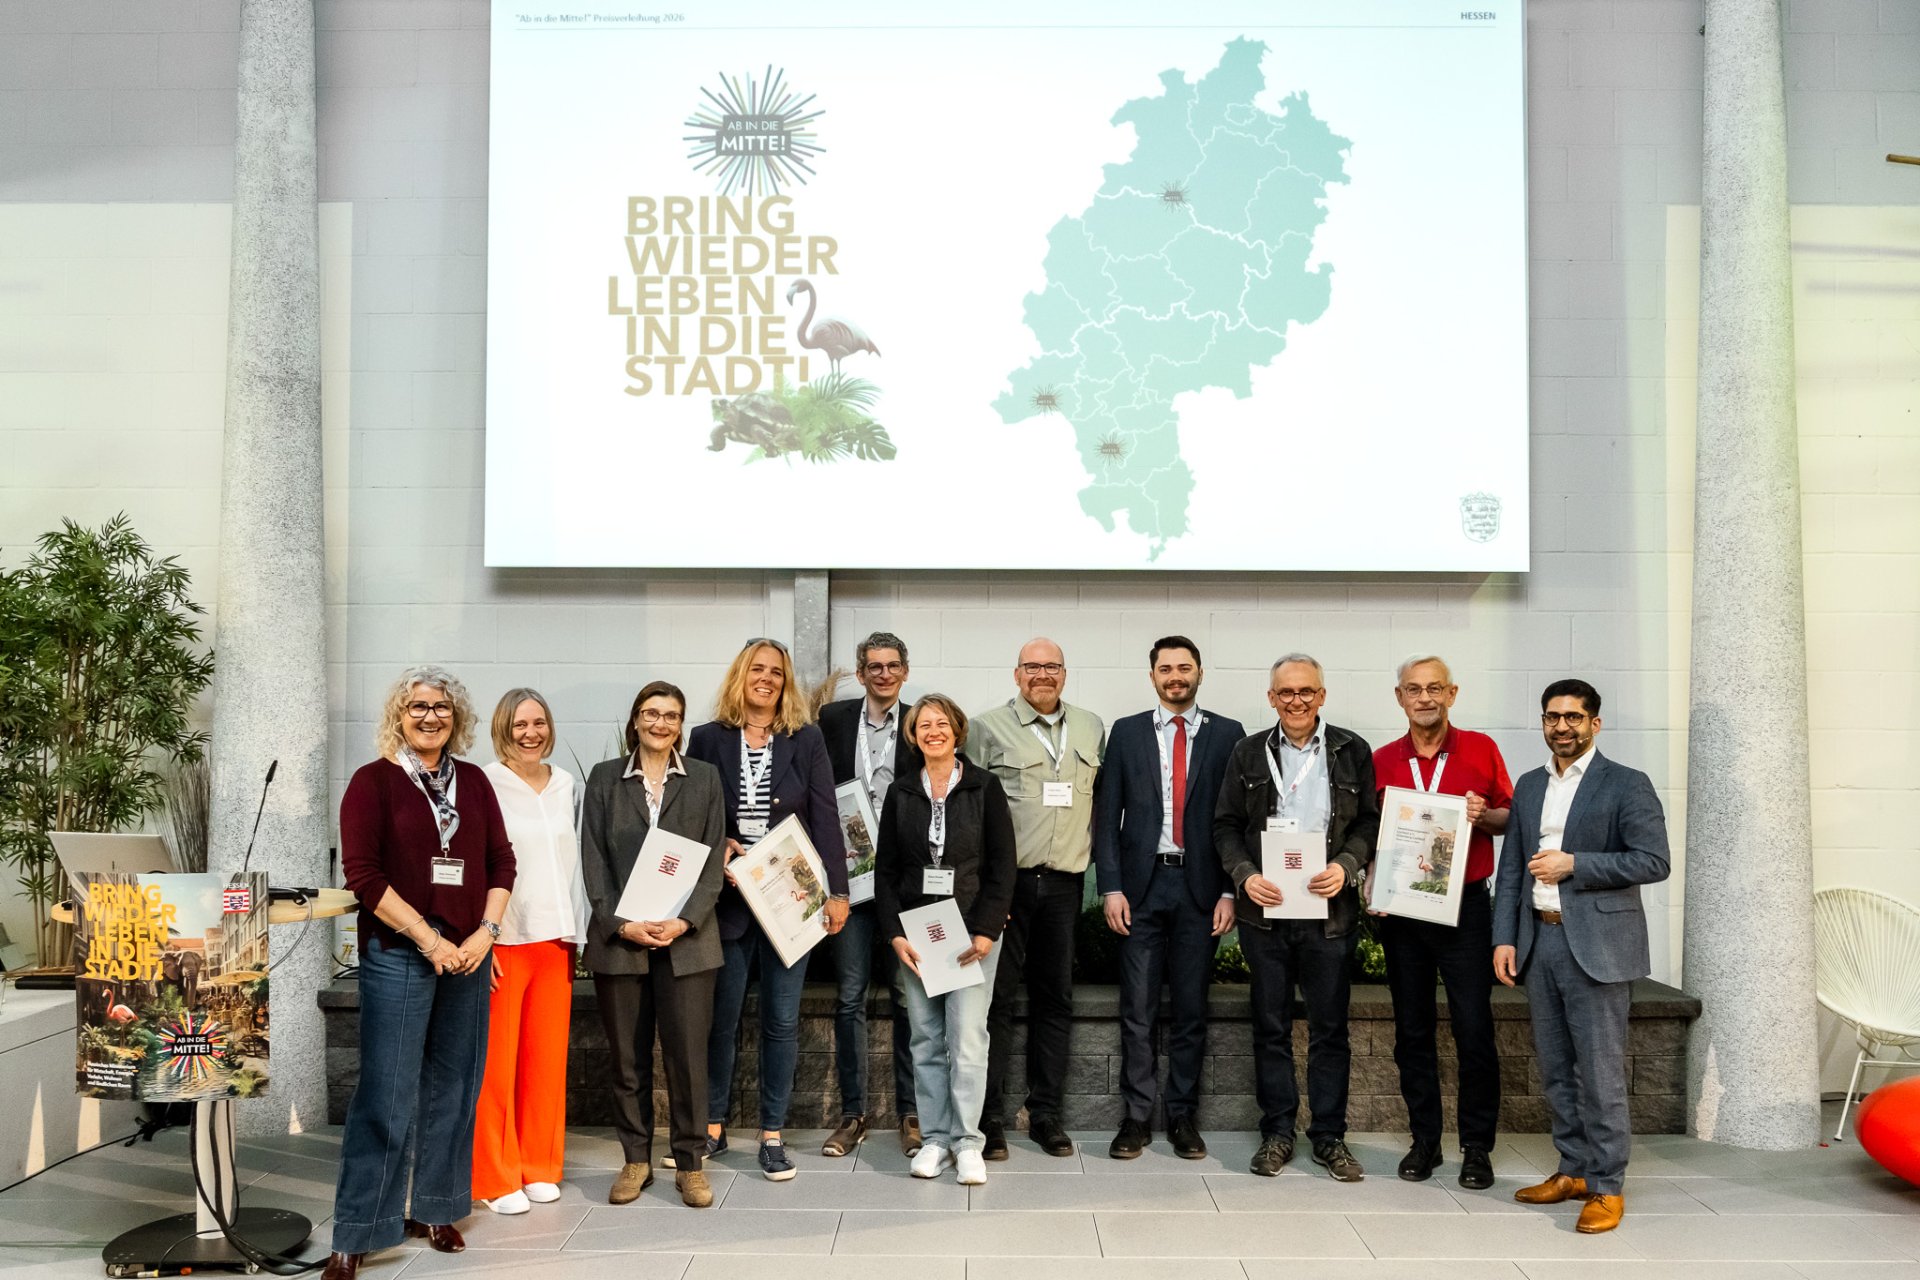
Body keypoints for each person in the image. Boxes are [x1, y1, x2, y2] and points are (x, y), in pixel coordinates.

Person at [325, 667, 516, 1280]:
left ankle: (436, 1208)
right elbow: (364, 877)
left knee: (454, 1088)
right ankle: (358, 1231)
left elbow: (501, 862)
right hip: (400, 951)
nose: (430, 716)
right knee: (386, 1092)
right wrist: (429, 940)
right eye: (418, 707)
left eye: (441, 707)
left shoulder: (475, 782)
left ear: (455, 718)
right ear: (399, 716)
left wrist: (485, 935)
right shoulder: (373, 782)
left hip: (468, 953)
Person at [1493, 679, 1670, 1235]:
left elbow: (1653, 860)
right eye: (1553, 717)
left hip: (1597, 946)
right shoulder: (1529, 785)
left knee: (1600, 1072)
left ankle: (1607, 1185)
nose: (1562, 726)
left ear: (1595, 723)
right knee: (1555, 1070)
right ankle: (1572, 1170)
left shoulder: (1627, 783)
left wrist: (1576, 864)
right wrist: (1504, 938)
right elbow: (1512, 868)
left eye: (1573, 717)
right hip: (1540, 941)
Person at [687, 638, 850, 1182]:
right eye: (757, 669)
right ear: (741, 675)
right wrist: (718, 844)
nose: (766, 679)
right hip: (729, 902)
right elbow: (692, 813)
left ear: (786, 682)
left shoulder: (806, 739)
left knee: (781, 1022)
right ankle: (712, 1128)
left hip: (790, 902)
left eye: (776, 672)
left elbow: (825, 815)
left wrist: (838, 892)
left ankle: (772, 1134)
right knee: (722, 1021)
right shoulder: (708, 738)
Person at [1213, 653, 1377, 1182]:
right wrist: (1244, 875)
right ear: (1272, 698)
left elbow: (1369, 823)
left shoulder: (1352, 750)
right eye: (1286, 692)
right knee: (1270, 1027)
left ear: (1322, 696)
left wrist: (1346, 865)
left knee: (1330, 1030)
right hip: (1266, 914)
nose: (1297, 701)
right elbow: (1225, 825)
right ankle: (1278, 1133)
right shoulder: (1247, 752)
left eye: (1306, 691)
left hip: (1329, 915)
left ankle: (1329, 1137)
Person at [580, 681, 730, 1209]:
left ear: (680, 725)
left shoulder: (704, 779)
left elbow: (713, 859)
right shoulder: (604, 778)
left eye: (671, 715)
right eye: (651, 713)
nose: (660, 723)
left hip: (687, 944)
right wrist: (620, 924)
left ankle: (690, 1164)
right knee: (628, 1060)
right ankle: (635, 1160)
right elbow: (593, 861)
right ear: (636, 720)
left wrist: (685, 921)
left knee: (688, 1060)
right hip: (623, 942)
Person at [1092, 636, 1243, 1160]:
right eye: (1165, 668)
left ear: (1200, 672)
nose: (1175, 676)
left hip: (1201, 890)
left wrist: (1229, 889)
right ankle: (1135, 1117)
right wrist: (1111, 886)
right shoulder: (1127, 732)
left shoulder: (1228, 733)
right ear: (1152, 675)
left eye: (1184, 667)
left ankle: (1182, 1116)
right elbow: (1106, 815)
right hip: (1141, 887)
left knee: (1191, 1009)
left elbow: (1234, 819)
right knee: (1136, 1008)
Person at [1369, 655, 1513, 1190]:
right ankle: (1424, 1141)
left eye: (1434, 688)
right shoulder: (1381, 759)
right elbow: (1371, 833)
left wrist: (1482, 815)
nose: (1424, 698)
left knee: (1474, 1028)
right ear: (1400, 697)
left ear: (1452, 693)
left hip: (1465, 910)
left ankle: (1476, 1148)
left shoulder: (1481, 749)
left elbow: (1509, 817)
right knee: (1412, 1030)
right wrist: (1372, 881)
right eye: (1414, 689)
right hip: (1404, 912)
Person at [968, 637, 1106, 1160]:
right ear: (1016, 673)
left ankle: (1046, 1114)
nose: (1042, 674)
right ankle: (989, 1117)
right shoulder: (985, 728)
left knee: (1055, 1000)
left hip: (1066, 885)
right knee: (995, 1002)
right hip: (1009, 886)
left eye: (1052, 666)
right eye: (1032, 666)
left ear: (1064, 674)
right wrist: (986, 891)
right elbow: (971, 812)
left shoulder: (1091, 727)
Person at [875, 694, 1018, 1185]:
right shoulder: (901, 792)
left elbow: (1003, 864)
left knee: (969, 1039)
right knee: (926, 1040)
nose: (933, 731)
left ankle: (968, 1142)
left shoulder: (984, 786)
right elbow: (886, 872)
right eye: (923, 725)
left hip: (972, 934)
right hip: (920, 935)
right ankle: (935, 1139)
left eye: (941, 723)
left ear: (957, 731)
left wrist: (987, 930)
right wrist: (895, 934)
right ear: (913, 736)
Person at [475, 689, 588, 1215]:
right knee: (496, 1067)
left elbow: (574, 864)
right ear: (503, 728)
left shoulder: (565, 784)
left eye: (539, 722)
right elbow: (473, 863)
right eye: (520, 724)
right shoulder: (483, 783)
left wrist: (579, 932)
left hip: (555, 938)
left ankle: (538, 1166)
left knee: (545, 1063)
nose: (530, 733)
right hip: (504, 939)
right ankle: (494, 1176)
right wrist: (481, 937)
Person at [816, 630, 923, 1156]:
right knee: (850, 996)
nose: (884, 674)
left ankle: (912, 1112)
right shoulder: (833, 720)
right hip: (850, 881)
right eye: (874, 666)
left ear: (905, 671)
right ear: (860, 674)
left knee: (908, 999)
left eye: (892, 665)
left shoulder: (921, 722)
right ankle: (853, 1113)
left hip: (902, 885)